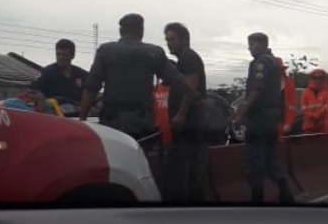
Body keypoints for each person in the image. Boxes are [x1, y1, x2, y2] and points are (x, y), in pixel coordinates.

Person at [79, 13, 198, 143]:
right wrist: (193, 95)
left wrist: (82, 121)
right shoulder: (154, 53)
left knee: (114, 154)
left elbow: (91, 89)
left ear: (121, 31)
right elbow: (179, 82)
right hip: (141, 123)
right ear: (141, 31)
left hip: (112, 122)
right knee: (140, 153)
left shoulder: (105, 51)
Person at [232, 32, 295, 205]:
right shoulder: (273, 62)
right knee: (271, 158)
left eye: (252, 44)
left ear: (261, 44)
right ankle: (286, 195)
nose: (249, 48)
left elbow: (256, 90)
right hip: (271, 119)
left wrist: (241, 114)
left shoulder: (261, 63)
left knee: (254, 159)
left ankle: (257, 199)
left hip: (258, 118)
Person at [163, 22, 208, 203]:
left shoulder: (188, 57)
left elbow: (192, 87)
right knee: (186, 166)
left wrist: (181, 114)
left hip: (190, 122)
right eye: (167, 40)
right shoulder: (183, 59)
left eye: (172, 39)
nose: (169, 43)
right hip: (189, 121)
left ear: (185, 40)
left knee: (187, 166)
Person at [30, 38, 89, 115]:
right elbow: (33, 92)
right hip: (53, 117)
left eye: (64, 55)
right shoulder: (46, 73)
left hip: (79, 117)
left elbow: (91, 95)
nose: (61, 57)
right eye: (58, 54)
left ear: (72, 55)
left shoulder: (82, 74)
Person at [300, 68, 328, 134]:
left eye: (320, 78)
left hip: (323, 126)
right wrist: (312, 116)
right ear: (312, 79)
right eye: (315, 78)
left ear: (324, 79)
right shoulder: (306, 92)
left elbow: (327, 106)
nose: (318, 80)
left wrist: (317, 115)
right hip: (308, 126)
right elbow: (303, 108)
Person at [275, 57, 297, 138]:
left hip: (282, 123)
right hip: (268, 124)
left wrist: (288, 123)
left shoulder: (289, 83)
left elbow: (291, 106)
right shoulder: (265, 83)